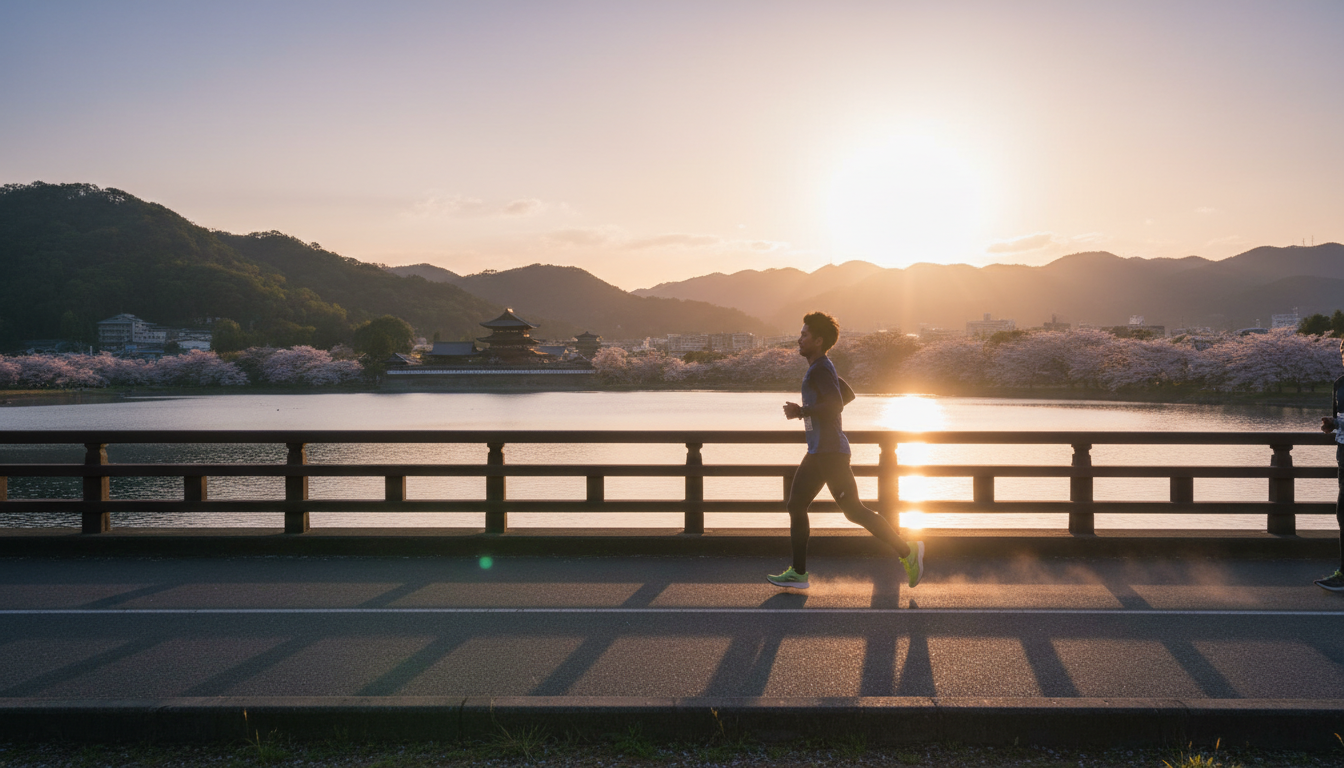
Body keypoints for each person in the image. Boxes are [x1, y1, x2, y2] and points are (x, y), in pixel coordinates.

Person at [767, 311, 924, 590]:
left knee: (854, 511)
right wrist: (813, 411)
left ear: (818, 340)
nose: (799, 339)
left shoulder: (820, 369)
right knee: (797, 505)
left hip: (830, 453)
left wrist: (801, 411)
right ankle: (799, 573)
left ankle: (909, 551)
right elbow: (846, 395)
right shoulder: (822, 367)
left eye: (804, 335)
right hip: (819, 451)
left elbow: (837, 404)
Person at [1315, 337, 1344, 592]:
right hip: (1343, 456)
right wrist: (1331, 425)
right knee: (1342, 514)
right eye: (1343, 349)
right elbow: (1339, 419)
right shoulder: (1339, 384)